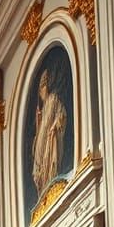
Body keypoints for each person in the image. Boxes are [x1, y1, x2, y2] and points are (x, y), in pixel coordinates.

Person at [32, 69, 67, 198]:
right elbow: (39, 133)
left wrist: (54, 126)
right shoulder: (43, 108)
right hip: (41, 147)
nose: (41, 93)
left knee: (49, 164)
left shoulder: (53, 99)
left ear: (45, 87)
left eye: (42, 88)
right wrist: (38, 121)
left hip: (50, 142)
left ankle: (50, 181)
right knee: (39, 169)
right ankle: (43, 188)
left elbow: (61, 114)